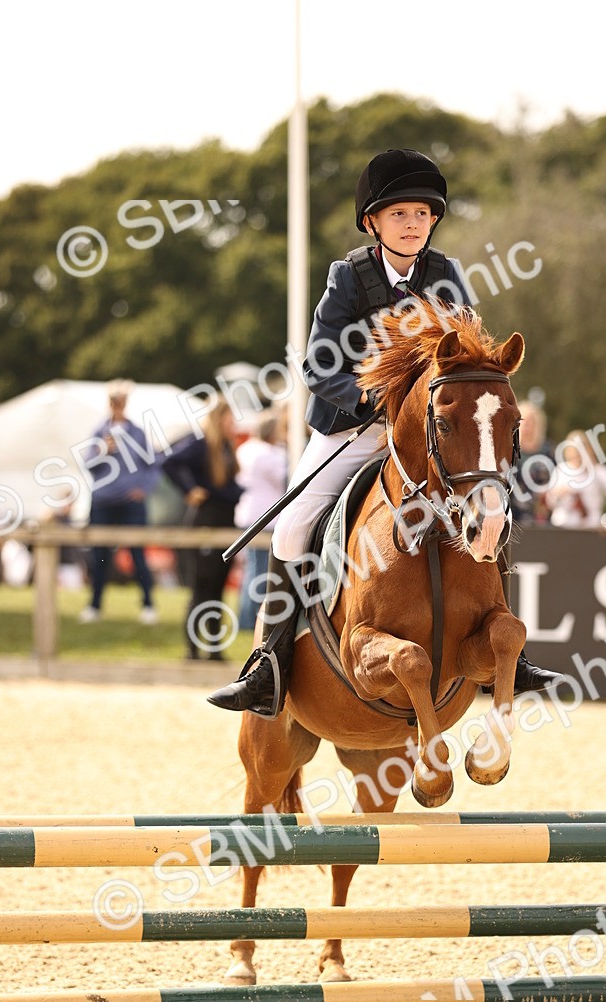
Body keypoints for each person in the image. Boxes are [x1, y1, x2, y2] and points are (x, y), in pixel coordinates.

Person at [209, 148, 560, 718]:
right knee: (291, 529)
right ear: (373, 222)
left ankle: (509, 658)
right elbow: (319, 365)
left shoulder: (445, 276)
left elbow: (465, 357)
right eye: (400, 214)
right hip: (352, 431)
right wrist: (368, 400)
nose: (413, 224)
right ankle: (268, 666)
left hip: (427, 436)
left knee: (487, 510)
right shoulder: (348, 278)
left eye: (423, 214)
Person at [163, 397, 243, 660]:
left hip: (225, 522)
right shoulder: (201, 445)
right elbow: (169, 462)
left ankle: (214, 647)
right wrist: (190, 490)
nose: (232, 422)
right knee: (201, 586)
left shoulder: (225, 448)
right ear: (219, 418)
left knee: (218, 587)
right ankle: (193, 648)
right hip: (205, 521)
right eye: (228, 417)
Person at [79, 380, 161, 624]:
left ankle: (148, 605)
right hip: (103, 502)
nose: (117, 404)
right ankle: (94, 606)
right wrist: (102, 451)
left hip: (130, 503)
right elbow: (87, 464)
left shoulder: (137, 433)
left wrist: (144, 488)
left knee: (137, 553)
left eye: (121, 400)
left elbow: (154, 466)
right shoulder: (99, 432)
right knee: (99, 556)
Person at [234, 407, 289, 631]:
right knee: (259, 572)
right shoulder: (272, 454)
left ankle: (245, 618)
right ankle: (250, 621)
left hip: (247, 514)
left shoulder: (245, 449)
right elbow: (285, 480)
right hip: (267, 516)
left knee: (251, 569)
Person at [546, 431, 606, 528]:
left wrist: (596, 468)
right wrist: (560, 493)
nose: (578, 454)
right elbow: (550, 502)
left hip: (591, 527)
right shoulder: (561, 470)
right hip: (565, 526)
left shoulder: (598, 471)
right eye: (574, 449)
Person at [509, 400, 556, 526]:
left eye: (531, 422)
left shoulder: (547, 451)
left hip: (542, 516)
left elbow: (559, 476)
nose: (527, 426)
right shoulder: (508, 451)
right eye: (524, 421)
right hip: (513, 515)